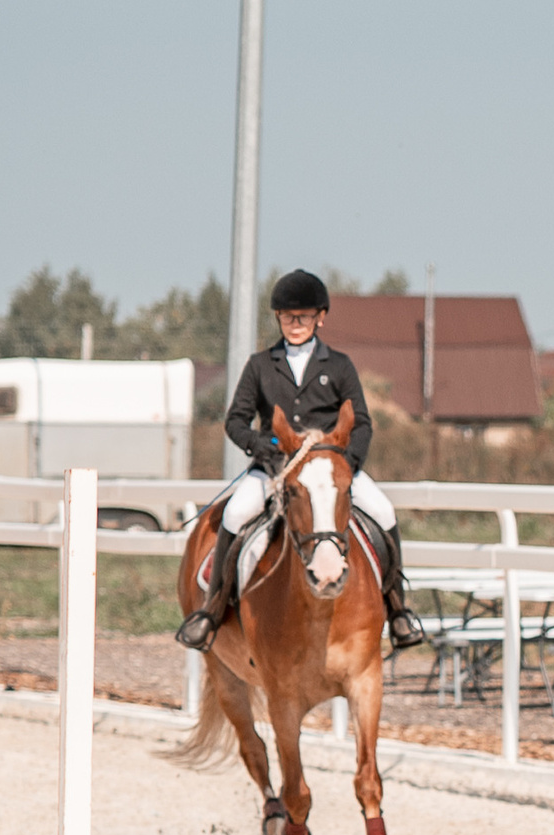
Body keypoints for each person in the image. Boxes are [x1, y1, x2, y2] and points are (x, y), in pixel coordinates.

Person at [176, 270, 426, 651]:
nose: (295, 324)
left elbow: (361, 422)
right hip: (276, 469)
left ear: (319, 318)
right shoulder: (261, 365)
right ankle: (212, 611)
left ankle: (397, 608)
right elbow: (235, 421)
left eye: (304, 317)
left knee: (384, 510)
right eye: (288, 317)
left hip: (330, 471)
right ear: (278, 318)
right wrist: (262, 447)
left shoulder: (339, 365)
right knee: (235, 514)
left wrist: (349, 466)